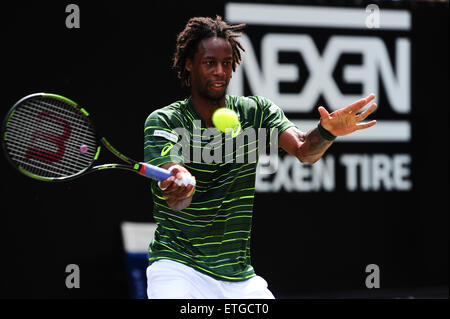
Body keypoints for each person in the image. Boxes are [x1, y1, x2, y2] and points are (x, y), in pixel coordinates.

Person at [144, 16, 377, 299]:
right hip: (178, 268)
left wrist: (327, 132)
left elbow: (305, 150)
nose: (220, 71)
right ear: (189, 64)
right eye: (209, 62)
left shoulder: (256, 112)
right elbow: (174, 189)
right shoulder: (165, 120)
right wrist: (180, 183)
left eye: (227, 63)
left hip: (239, 277)